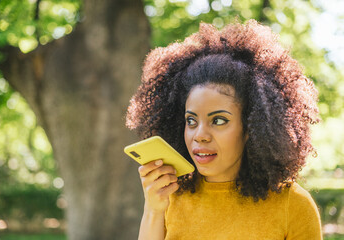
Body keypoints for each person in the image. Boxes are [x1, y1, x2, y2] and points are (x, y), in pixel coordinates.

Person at [126, 20, 322, 240]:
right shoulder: (169, 197)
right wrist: (153, 210)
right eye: (191, 121)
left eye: (218, 121)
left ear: (251, 127)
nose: (199, 135)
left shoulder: (293, 205)